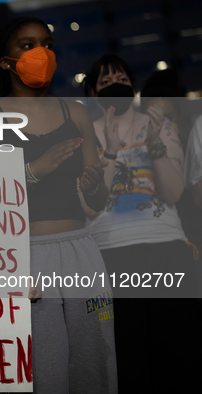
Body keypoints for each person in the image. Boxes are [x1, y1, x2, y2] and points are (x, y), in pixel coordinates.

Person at [0, 16, 117, 393]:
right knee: (45, 369)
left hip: (82, 251)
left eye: (48, 44)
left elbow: (98, 200)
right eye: (28, 45)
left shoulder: (77, 113)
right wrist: (35, 170)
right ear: (5, 61)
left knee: (97, 362)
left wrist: (94, 184)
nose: (41, 53)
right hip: (26, 257)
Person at [83, 54, 199, 393]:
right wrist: (110, 150)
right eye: (104, 82)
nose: (114, 85)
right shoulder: (87, 134)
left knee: (178, 357)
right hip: (110, 254)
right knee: (127, 358)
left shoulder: (159, 125)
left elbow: (175, 192)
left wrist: (155, 144)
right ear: (93, 94)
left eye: (120, 78)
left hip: (167, 250)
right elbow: (91, 207)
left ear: (132, 85)